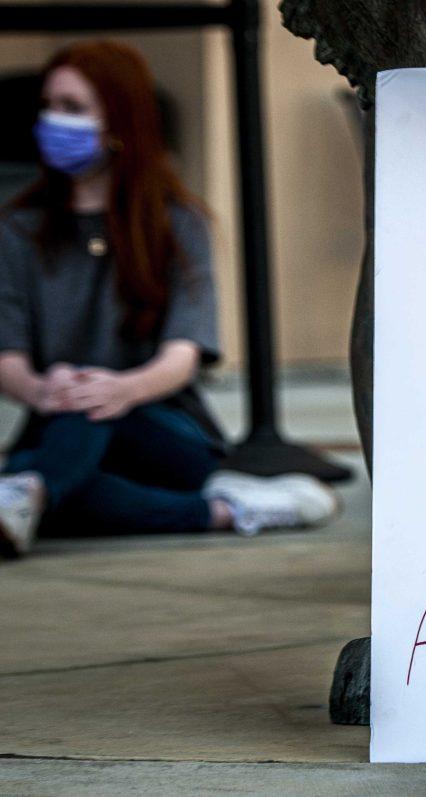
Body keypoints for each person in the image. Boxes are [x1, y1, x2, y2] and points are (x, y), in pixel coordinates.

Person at [0, 41, 338, 559]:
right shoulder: (18, 228)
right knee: (66, 485)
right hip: (58, 420)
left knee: (83, 413)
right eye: (49, 106)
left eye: (73, 108)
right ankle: (230, 510)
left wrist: (118, 389)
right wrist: (44, 390)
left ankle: (30, 489)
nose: (53, 121)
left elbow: (182, 354)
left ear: (119, 119)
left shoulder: (178, 223)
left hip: (163, 431)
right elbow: (9, 357)